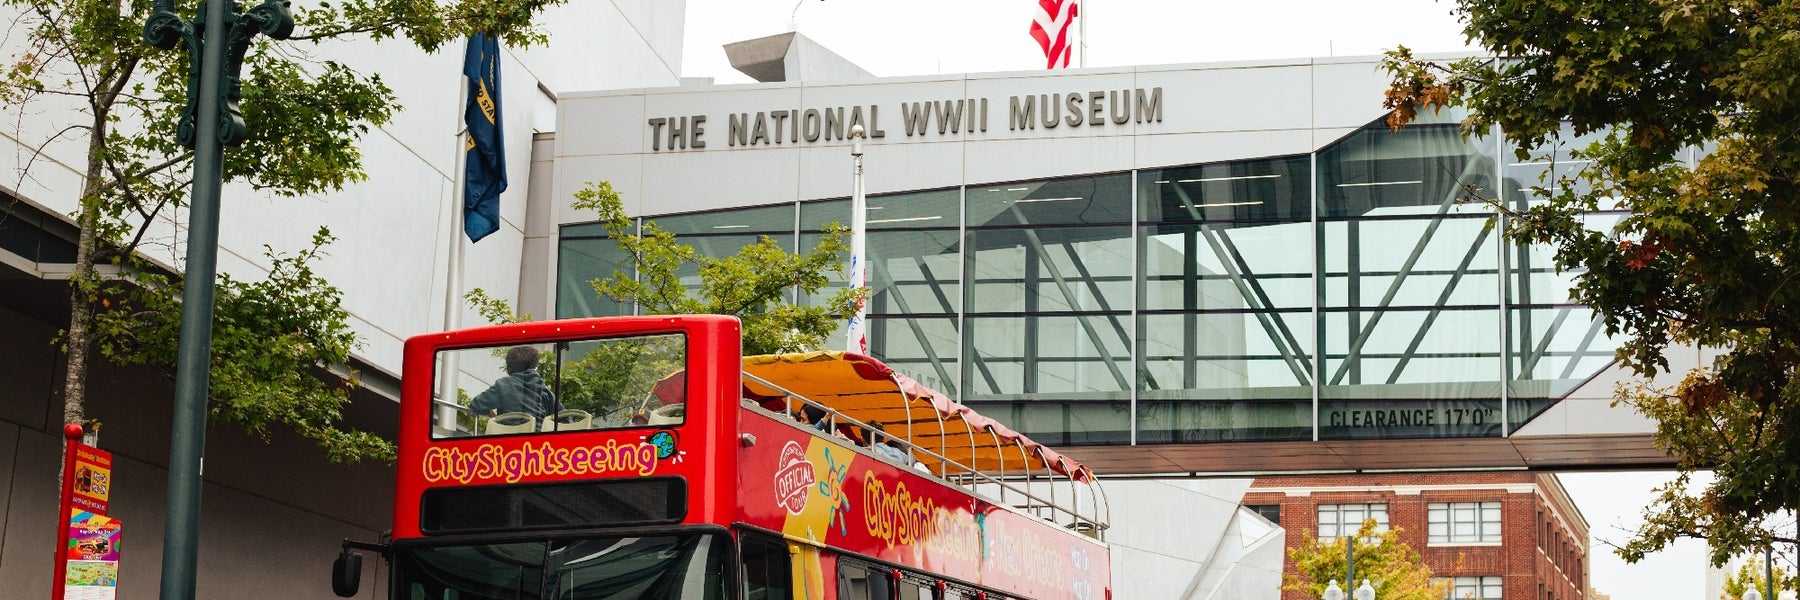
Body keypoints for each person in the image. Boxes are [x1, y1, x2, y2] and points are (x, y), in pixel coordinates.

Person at [470, 346, 562, 428]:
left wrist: (493, 415)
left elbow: (476, 404)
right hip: (537, 444)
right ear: (535, 367)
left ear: (509, 366)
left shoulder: (503, 385)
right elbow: (565, 417)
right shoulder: (544, 391)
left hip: (507, 441)